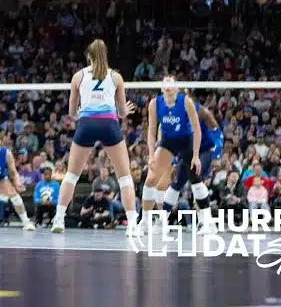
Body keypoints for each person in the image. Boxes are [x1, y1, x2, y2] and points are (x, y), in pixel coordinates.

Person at [51, 39, 139, 235]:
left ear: (88, 56)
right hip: (109, 123)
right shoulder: (116, 77)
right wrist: (125, 110)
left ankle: (58, 219)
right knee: (124, 177)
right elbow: (123, 113)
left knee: (71, 175)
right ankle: (132, 224)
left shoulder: (78, 76)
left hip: (86, 124)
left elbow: (72, 112)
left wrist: (84, 113)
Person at [141, 76, 202, 227]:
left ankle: (205, 221)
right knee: (151, 179)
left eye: (171, 82)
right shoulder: (155, 104)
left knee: (195, 180)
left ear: (176, 88)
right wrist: (150, 154)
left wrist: (195, 155)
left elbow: (197, 129)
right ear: (161, 88)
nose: (168, 84)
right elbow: (152, 131)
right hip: (167, 143)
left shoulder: (186, 101)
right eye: (165, 82)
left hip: (185, 141)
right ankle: (145, 221)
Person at [152, 100, 222, 227]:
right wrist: (173, 162)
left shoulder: (202, 112)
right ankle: (162, 220)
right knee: (176, 184)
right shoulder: (172, 118)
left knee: (196, 180)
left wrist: (217, 155)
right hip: (187, 153)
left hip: (204, 150)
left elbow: (217, 132)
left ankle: (207, 223)